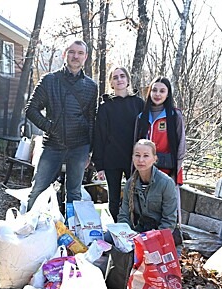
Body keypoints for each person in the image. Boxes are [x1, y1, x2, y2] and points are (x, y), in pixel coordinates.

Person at [25, 39, 98, 211]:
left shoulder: (91, 86)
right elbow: (31, 109)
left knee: (74, 194)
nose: (76, 56)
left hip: (79, 146)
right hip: (52, 145)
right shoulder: (49, 80)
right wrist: (50, 127)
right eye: (72, 52)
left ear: (85, 57)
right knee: (37, 189)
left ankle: (70, 231)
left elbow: (91, 119)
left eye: (80, 53)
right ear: (65, 54)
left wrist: (90, 151)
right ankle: (28, 229)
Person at [92, 66, 144, 222]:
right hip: (111, 159)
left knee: (135, 197)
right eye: (115, 77)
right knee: (114, 199)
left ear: (128, 80)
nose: (119, 79)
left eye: (122, 76)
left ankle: (134, 229)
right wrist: (99, 164)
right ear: (111, 83)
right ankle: (116, 230)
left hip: (134, 159)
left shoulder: (139, 104)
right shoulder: (105, 107)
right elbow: (99, 136)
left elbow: (145, 132)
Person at [134, 76, 186, 185]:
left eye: (162, 91)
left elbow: (181, 146)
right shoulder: (141, 117)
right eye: (154, 90)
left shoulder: (175, 115)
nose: (157, 94)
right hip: (145, 170)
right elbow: (135, 145)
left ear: (168, 94)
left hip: (168, 170)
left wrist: (175, 171)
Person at [117, 139, 177, 232]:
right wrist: (124, 234)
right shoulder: (130, 184)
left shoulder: (166, 183)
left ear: (154, 159)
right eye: (137, 155)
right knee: (108, 237)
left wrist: (154, 239)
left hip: (159, 232)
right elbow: (124, 215)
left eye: (146, 156)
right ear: (132, 158)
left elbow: (169, 221)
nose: (141, 160)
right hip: (139, 230)